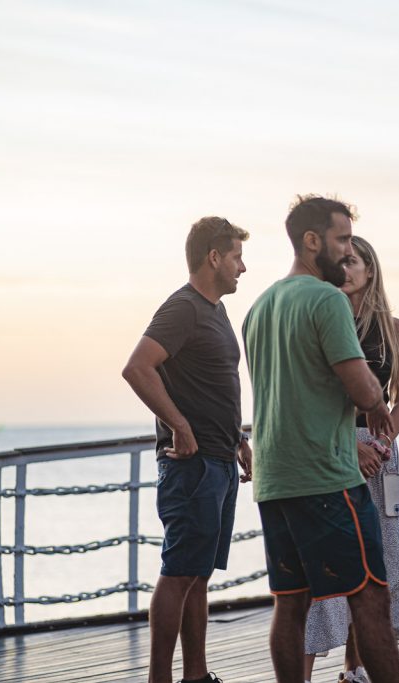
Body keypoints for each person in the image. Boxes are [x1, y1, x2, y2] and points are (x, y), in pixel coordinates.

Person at [242, 196, 399, 683]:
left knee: (289, 604)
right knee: (372, 596)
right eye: (341, 240)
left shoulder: (261, 306)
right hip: (326, 477)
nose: (347, 250)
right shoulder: (327, 299)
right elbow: (362, 386)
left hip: (274, 479)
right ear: (311, 242)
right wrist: (376, 401)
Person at [122, 217, 253, 683]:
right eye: (236, 256)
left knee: (198, 575)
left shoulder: (215, 311)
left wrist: (239, 439)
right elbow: (137, 368)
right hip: (192, 466)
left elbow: (213, 385)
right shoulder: (183, 308)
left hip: (218, 460)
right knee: (179, 573)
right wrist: (178, 425)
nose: (243, 266)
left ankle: (196, 676)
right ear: (213, 257)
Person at [303, 236, 399, 683]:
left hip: (382, 454)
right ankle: (302, 674)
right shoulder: (324, 322)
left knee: (385, 559)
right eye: (340, 262)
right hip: (330, 450)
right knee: (324, 567)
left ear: (371, 269)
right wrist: (351, 448)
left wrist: (381, 446)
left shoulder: (394, 329)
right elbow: (311, 400)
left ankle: (357, 669)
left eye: (354, 262)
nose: (345, 269)